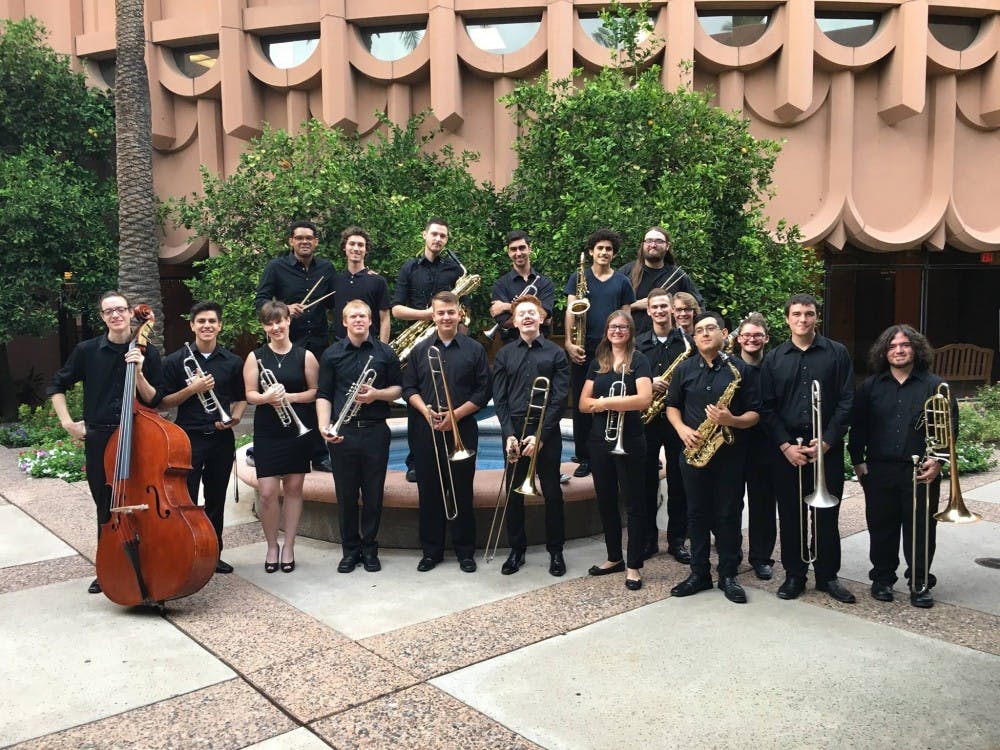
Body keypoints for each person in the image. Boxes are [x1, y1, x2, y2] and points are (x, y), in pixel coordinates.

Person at [48, 291, 164, 594]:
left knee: (142, 498)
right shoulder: (87, 351)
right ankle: (108, 565)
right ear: (102, 317)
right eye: (108, 311)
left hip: (137, 435)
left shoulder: (147, 351)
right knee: (106, 503)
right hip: (100, 436)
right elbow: (57, 385)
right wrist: (66, 422)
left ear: (129, 314)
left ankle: (150, 559)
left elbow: (155, 399)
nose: (116, 315)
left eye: (121, 310)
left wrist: (139, 372)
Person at [848, 325, 953, 608]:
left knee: (921, 530)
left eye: (905, 345)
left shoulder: (935, 385)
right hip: (879, 470)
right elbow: (858, 427)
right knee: (881, 528)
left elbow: (949, 428)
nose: (899, 350)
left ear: (916, 349)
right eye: (892, 346)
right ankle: (882, 579)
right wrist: (858, 461)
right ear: (884, 351)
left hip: (921, 472)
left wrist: (939, 461)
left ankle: (919, 582)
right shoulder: (870, 387)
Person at [761, 293, 855, 603]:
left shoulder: (837, 353)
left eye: (809, 314)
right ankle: (795, 575)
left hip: (825, 446)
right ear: (787, 318)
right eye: (798, 314)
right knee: (791, 515)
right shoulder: (774, 358)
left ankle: (828, 576)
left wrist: (827, 440)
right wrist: (785, 445)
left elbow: (846, 400)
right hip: (788, 450)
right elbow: (767, 407)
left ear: (817, 317)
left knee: (827, 515)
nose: (803, 319)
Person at [666, 312, 761, 604]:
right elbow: (671, 406)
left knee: (728, 513)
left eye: (711, 329)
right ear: (694, 338)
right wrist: (682, 430)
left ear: (724, 334)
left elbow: (755, 414)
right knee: (695, 514)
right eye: (699, 331)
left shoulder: (741, 369)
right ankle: (699, 573)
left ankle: (728, 575)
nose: (705, 334)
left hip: (730, 453)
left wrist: (731, 419)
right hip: (694, 452)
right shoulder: (684, 369)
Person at [402, 291, 490, 573]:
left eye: (450, 312)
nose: (446, 317)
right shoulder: (420, 350)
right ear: (433, 315)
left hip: (461, 428)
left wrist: (456, 415)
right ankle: (431, 551)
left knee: (462, 491)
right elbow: (409, 389)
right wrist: (425, 411)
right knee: (429, 491)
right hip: (426, 428)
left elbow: (483, 391)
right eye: (440, 313)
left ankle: (466, 551)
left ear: (459, 313)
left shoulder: (474, 349)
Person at [161, 301, 247, 575]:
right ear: (192, 326)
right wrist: (193, 389)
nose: (207, 326)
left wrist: (233, 418)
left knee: (215, 499)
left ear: (219, 326)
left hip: (220, 440)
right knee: (185, 499)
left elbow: (241, 399)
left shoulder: (232, 361)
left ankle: (213, 552)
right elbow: (163, 402)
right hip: (188, 439)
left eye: (212, 321)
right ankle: (184, 551)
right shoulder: (175, 361)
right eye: (201, 321)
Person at [317, 300, 402, 574]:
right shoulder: (331, 354)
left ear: (370, 321)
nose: (358, 320)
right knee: (346, 495)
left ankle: (369, 549)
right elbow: (323, 395)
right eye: (353, 316)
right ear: (344, 322)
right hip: (344, 433)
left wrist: (376, 394)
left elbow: (399, 390)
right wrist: (324, 426)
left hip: (376, 431)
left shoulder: (385, 352)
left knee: (374, 494)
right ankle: (350, 551)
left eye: (363, 316)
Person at [491, 295, 570, 576]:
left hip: (544, 431)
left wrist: (540, 435)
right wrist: (509, 434)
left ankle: (556, 551)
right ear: (513, 321)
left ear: (541, 318)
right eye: (521, 313)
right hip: (514, 429)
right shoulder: (504, 354)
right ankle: (517, 550)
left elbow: (560, 399)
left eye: (531, 313)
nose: (526, 317)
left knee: (552, 492)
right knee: (514, 495)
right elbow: (499, 399)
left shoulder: (556, 353)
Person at [243, 301, 319, 574]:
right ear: (264, 327)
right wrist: (265, 398)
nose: (275, 327)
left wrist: (290, 397)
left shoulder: (305, 356)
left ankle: (288, 545)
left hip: (296, 430)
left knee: (294, 489)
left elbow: (315, 392)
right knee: (266, 493)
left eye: (280, 321)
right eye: (269, 323)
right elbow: (250, 394)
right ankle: (271, 545)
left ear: (289, 321)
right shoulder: (256, 357)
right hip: (268, 430)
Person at [579, 311, 652, 590]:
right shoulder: (599, 362)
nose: (617, 331)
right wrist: (612, 403)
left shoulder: (639, 360)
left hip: (630, 439)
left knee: (634, 504)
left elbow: (644, 399)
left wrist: (606, 402)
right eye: (612, 326)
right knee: (605, 500)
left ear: (630, 331)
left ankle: (633, 565)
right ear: (606, 330)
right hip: (600, 440)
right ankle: (613, 557)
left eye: (622, 327)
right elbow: (584, 404)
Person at [255, 220, 336, 471]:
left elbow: (338, 298)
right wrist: (285, 309)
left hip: (319, 342)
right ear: (291, 241)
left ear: (316, 242)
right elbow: (261, 300)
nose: (304, 242)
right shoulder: (276, 267)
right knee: (287, 393)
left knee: (320, 394)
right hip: (289, 342)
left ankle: (320, 453)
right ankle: (288, 445)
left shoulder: (326, 268)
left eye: (309, 238)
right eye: (299, 238)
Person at [391, 217, 464, 483]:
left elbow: (461, 309)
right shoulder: (409, 268)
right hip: (419, 343)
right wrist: (427, 315)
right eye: (434, 234)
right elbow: (397, 309)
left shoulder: (454, 271)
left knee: (449, 394)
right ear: (424, 235)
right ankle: (415, 461)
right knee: (418, 400)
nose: (438, 240)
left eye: (443, 236)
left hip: (448, 339)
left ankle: (451, 452)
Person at [564, 229, 636, 479]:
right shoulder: (578, 276)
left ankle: (609, 450)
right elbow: (571, 310)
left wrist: (625, 349)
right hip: (583, 347)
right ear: (592, 251)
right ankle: (584, 456)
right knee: (582, 405)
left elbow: (626, 317)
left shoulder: (622, 282)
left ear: (614, 254)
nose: (604, 252)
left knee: (610, 399)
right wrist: (569, 343)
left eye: (609, 249)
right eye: (600, 248)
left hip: (611, 349)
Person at [635, 287, 693, 563]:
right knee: (645, 481)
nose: (659, 311)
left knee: (679, 481)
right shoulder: (638, 343)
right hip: (647, 420)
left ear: (672, 309)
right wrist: (650, 383)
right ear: (648, 311)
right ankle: (648, 540)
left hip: (677, 420)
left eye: (664, 306)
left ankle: (677, 539)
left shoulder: (686, 343)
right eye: (654, 307)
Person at [734, 312, 777, 580]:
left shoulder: (774, 368)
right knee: (730, 503)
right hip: (733, 445)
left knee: (763, 504)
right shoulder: (727, 367)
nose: (752, 339)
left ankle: (761, 558)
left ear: (766, 339)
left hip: (765, 445)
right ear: (739, 338)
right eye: (747, 335)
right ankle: (732, 553)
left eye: (757, 335)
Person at [619, 226, 702, 334]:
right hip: (633, 340)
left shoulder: (677, 275)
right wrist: (635, 305)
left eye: (659, 241)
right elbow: (610, 307)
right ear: (643, 244)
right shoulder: (626, 273)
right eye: (649, 241)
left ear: (667, 246)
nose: (653, 245)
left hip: (669, 342)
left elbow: (698, 306)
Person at [489, 230, 556, 344]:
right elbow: (505, 322)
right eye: (513, 249)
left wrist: (507, 306)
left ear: (529, 249)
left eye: (522, 248)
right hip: (511, 346)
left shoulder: (545, 282)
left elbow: (544, 315)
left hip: (541, 345)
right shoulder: (500, 284)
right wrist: (536, 314)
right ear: (509, 252)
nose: (518, 253)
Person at [330, 226, 391, 343]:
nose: (356, 248)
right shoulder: (335, 281)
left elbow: (385, 318)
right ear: (344, 247)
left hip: (370, 345)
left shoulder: (378, 281)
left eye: (361, 245)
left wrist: (383, 350)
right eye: (352, 244)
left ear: (366, 249)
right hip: (340, 346)